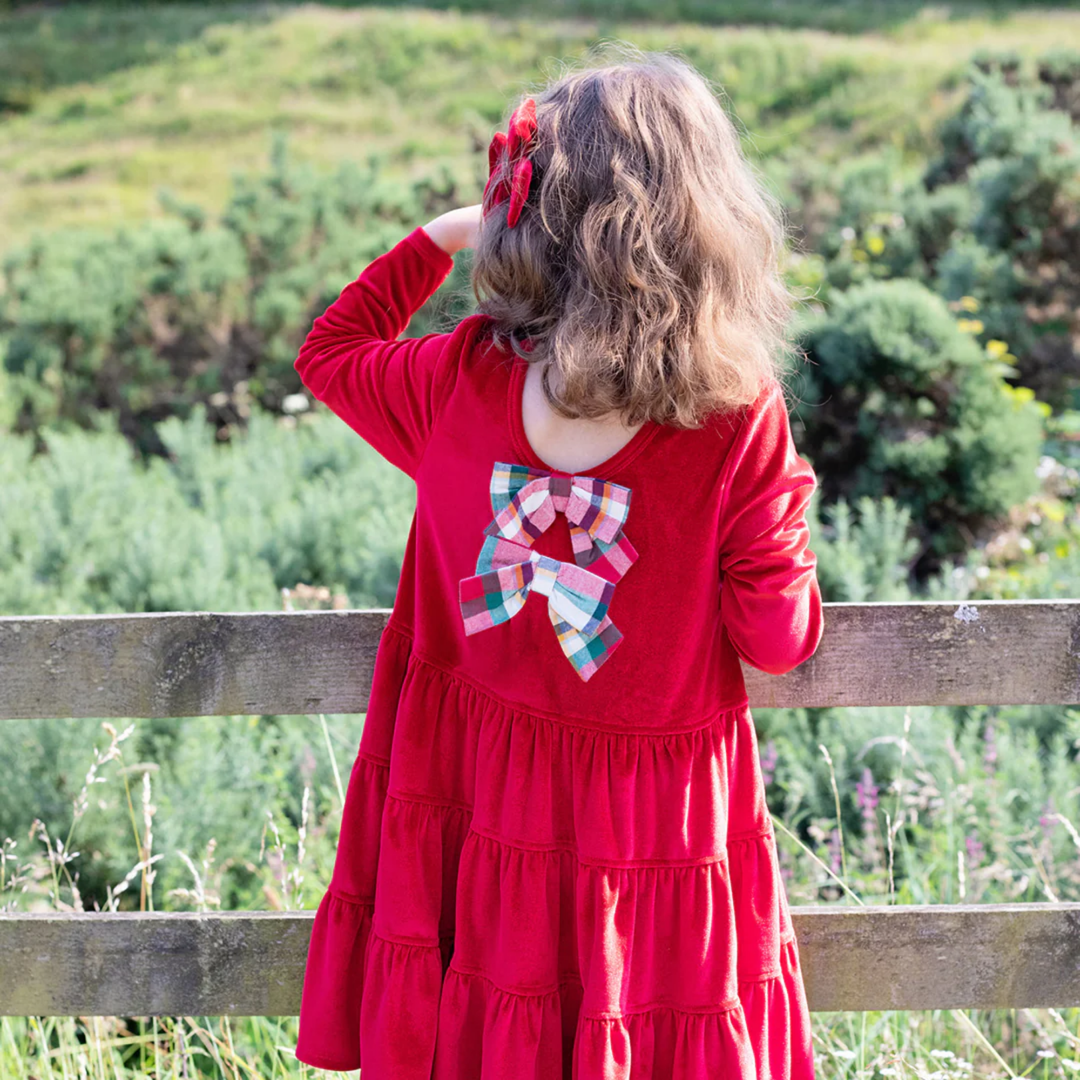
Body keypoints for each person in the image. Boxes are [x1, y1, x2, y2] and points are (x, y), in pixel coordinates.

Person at [292, 50, 823, 1080]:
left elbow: (332, 348)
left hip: (473, 800)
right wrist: (784, 509)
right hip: (650, 829)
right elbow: (776, 636)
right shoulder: (736, 415)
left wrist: (450, 234)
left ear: (526, 207)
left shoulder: (457, 380)